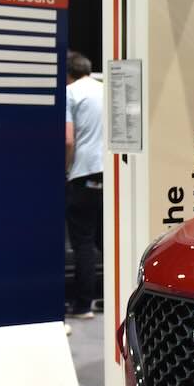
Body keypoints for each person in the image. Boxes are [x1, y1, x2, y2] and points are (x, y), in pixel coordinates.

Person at [65, 51, 104, 320]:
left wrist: (65, 167)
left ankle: (82, 305)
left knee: (83, 242)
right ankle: (112, 296)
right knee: (106, 241)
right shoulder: (105, 90)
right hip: (110, 172)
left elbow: (68, 139)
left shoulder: (70, 93)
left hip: (82, 172)